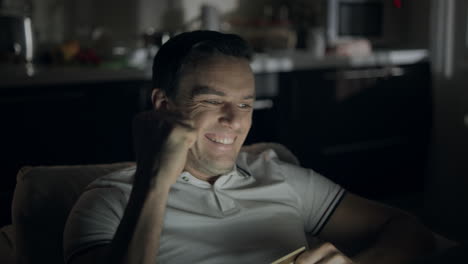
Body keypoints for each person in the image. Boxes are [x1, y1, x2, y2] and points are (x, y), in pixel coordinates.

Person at [63, 30, 435, 264]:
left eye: (245, 104)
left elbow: (407, 229)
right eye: (212, 101)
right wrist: (155, 182)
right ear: (163, 106)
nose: (235, 120)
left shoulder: (281, 176)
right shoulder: (108, 201)